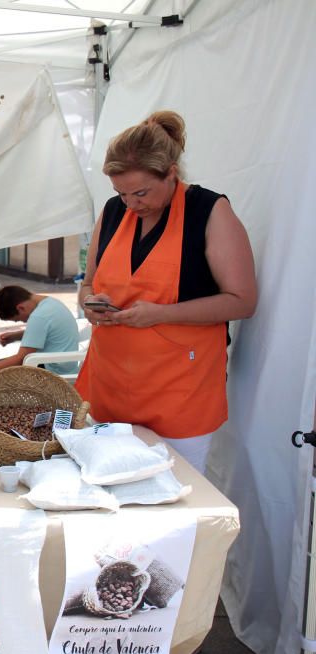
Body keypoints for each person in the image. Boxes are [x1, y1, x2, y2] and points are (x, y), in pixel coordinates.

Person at [75, 110, 257, 473]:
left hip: (180, 394)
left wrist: (161, 313)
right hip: (109, 386)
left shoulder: (209, 211)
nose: (131, 204)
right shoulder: (113, 211)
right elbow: (88, 284)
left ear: (171, 172)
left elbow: (242, 300)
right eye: (121, 193)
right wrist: (91, 303)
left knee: (178, 501)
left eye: (141, 192)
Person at [0, 285, 80, 379]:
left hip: (54, 370)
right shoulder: (50, 303)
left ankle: (8, 405)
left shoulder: (38, 316)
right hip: (65, 364)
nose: (24, 321)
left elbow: (21, 358)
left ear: (21, 308)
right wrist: (16, 336)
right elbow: (46, 332)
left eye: (19, 319)